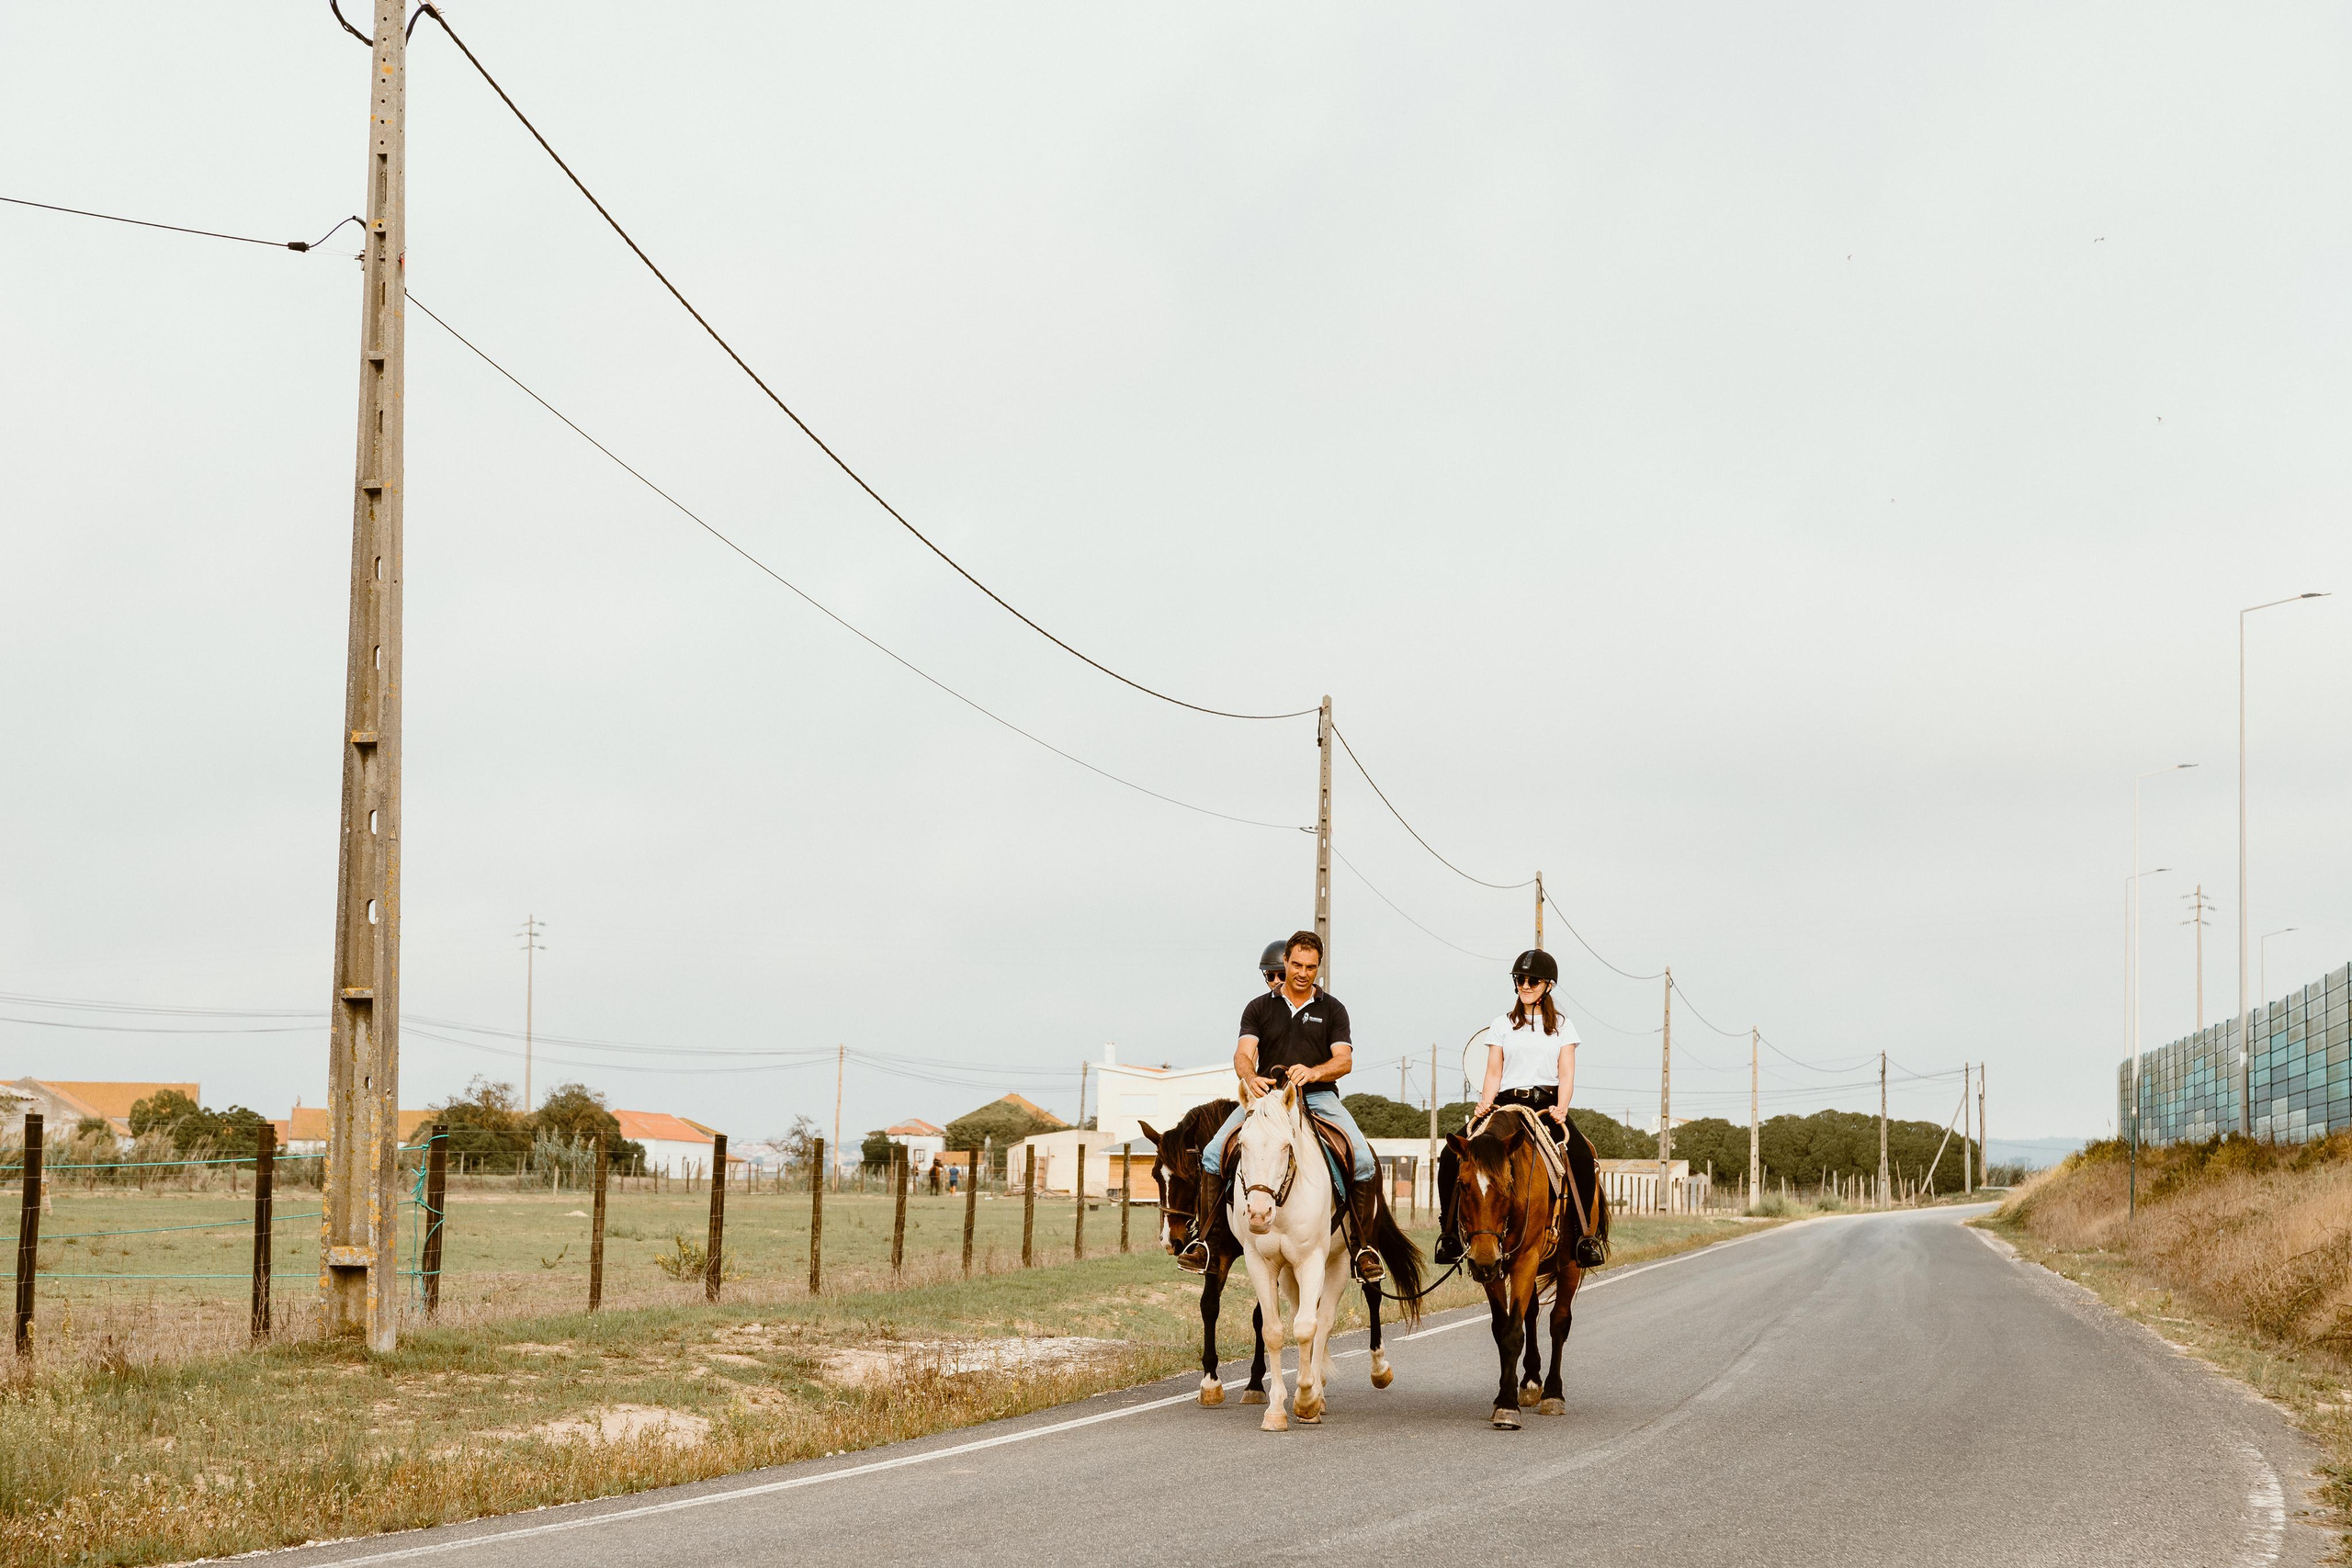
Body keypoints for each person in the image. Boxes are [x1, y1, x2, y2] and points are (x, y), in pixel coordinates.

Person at [1179, 930, 1384, 1281]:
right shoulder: (1259, 1007)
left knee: (1363, 1160)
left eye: (1312, 967)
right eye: (1297, 965)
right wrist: (1249, 1078)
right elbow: (1243, 1055)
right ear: (1285, 962)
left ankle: (1361, 1248)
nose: (1303, 973)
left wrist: (1315, 1071)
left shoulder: (1333, 1009)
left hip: (1317, 1097)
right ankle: (1206, 1242)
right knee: (1213, 1153)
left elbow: (1344, 1061)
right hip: (1266, 1099)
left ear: (1319, 967)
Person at [1434, 949, 1605, 1269]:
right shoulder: (1501, 1024)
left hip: (1545, 1107)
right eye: (1520, 980)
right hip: (1505, 1105)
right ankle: (1449, 1235)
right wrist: (1484, 1103)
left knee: (1581, 1155)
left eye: (1533, 981)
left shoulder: (1563, 1027)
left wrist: (1562, 1108)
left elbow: (1566, 1073)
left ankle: (1585, 1238)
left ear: (1548, 985)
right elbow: (1494, 1072)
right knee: (1449, 1155)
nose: (1525, 985)